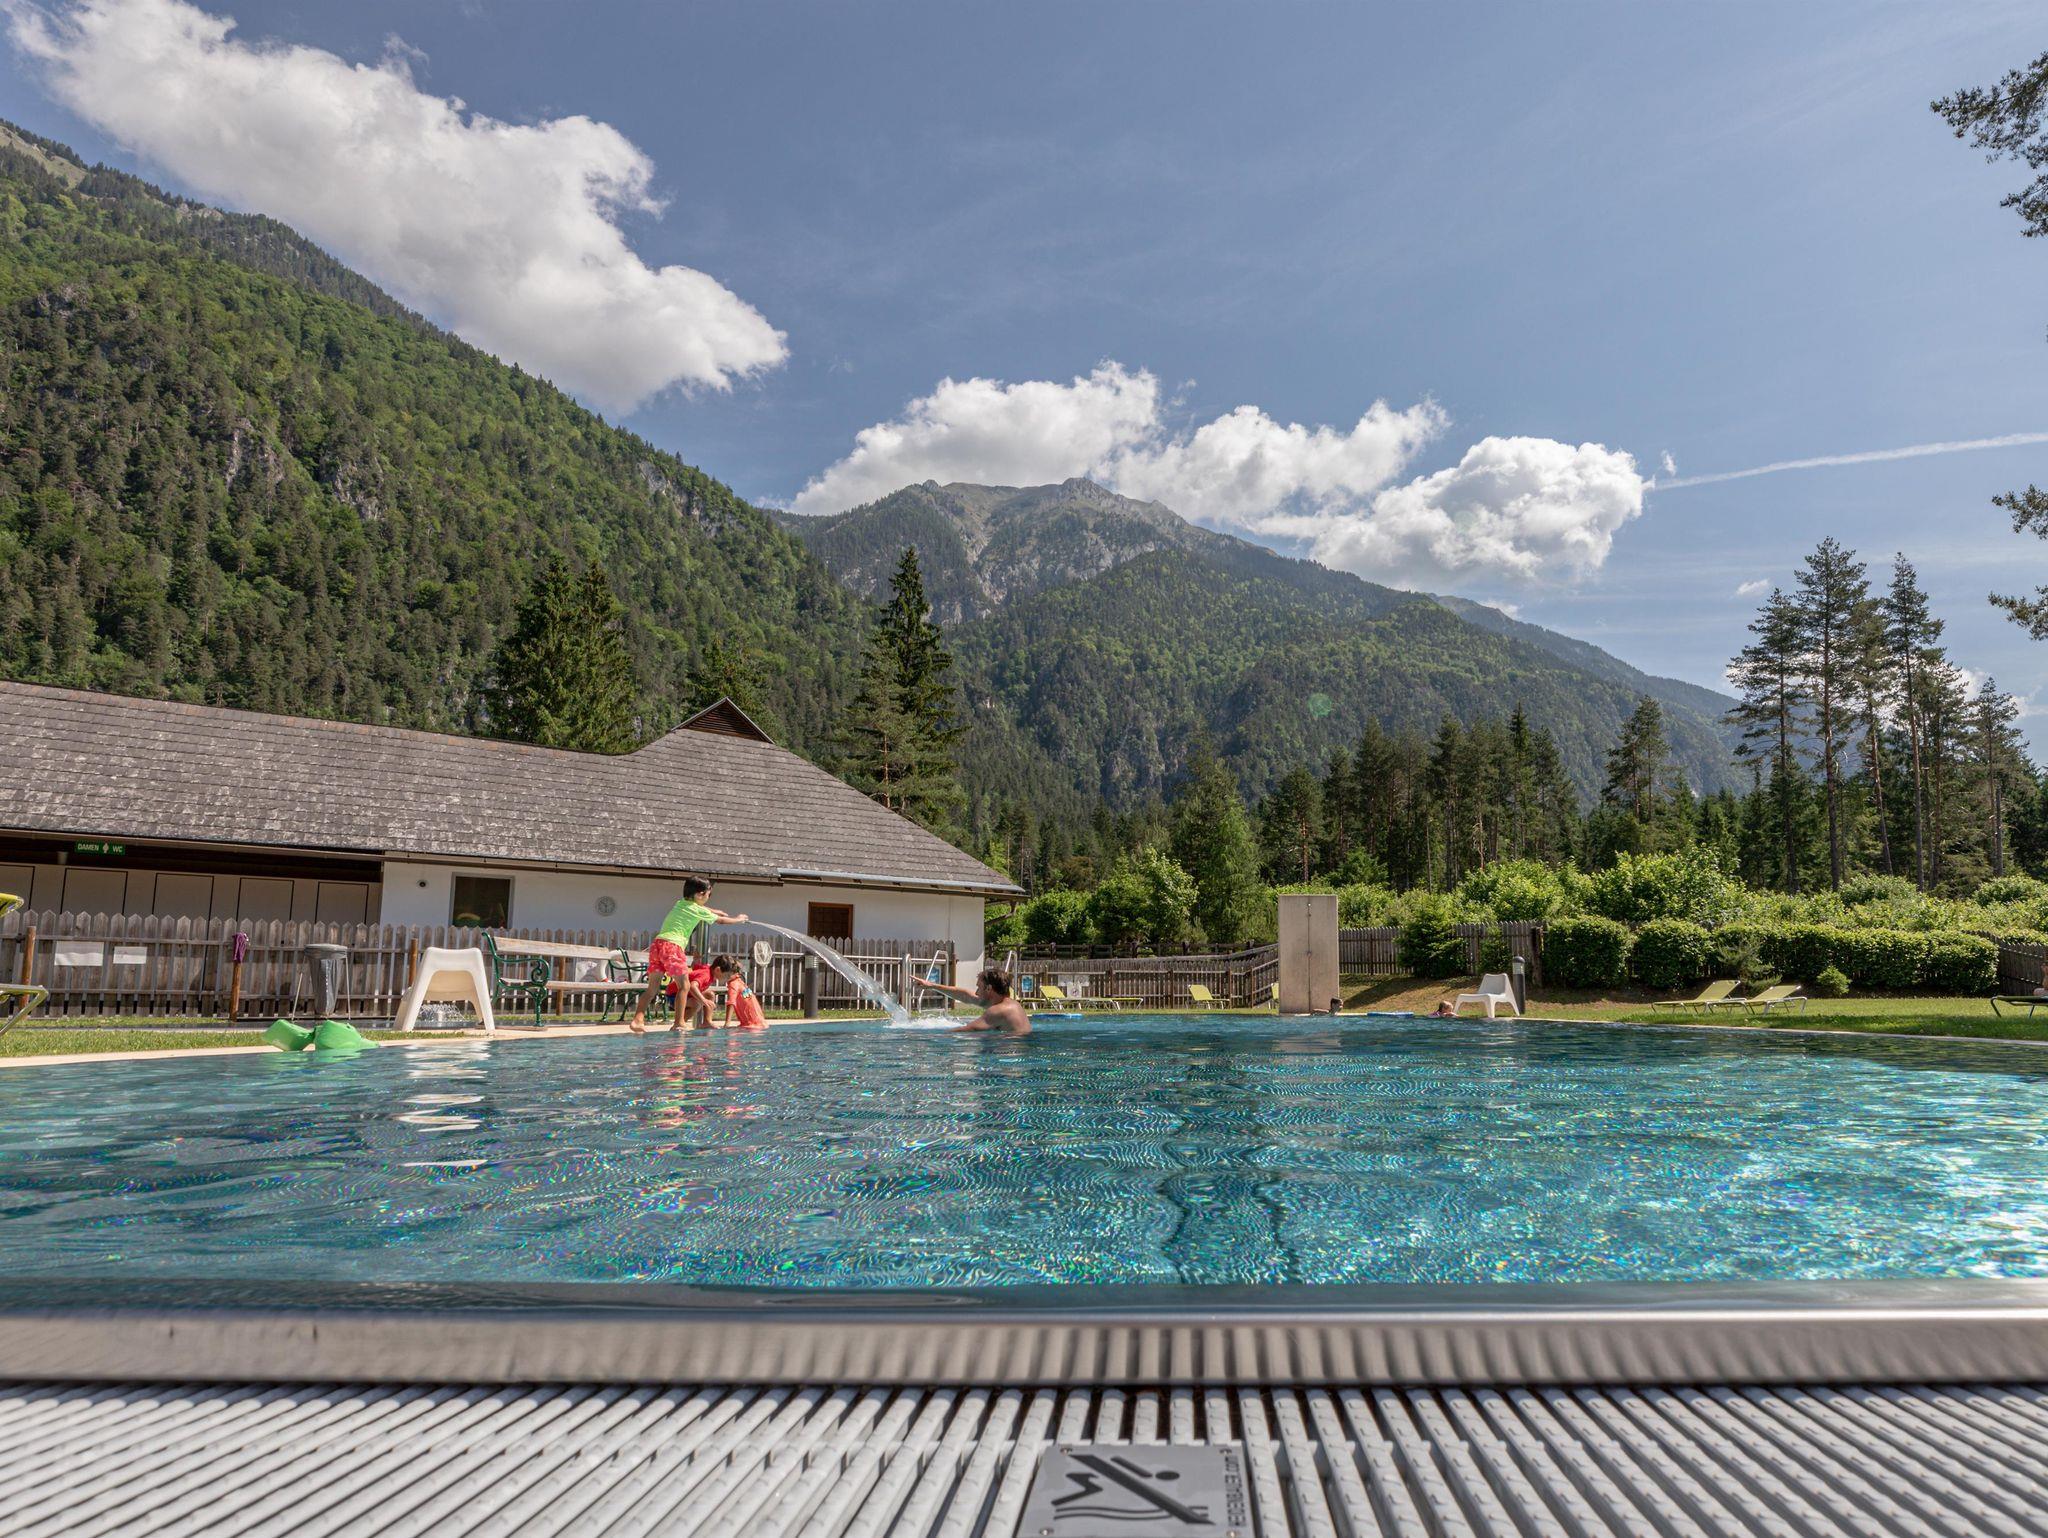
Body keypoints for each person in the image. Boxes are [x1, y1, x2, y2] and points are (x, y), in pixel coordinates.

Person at [631, 877, 748, 1033]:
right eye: (709, 895)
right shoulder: (698, 910)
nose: (708, 898)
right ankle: (679, 1023)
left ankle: (637, 1020)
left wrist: (713, 910)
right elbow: (720, 921)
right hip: (673, 947)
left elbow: (700, 908)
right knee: (684, 986)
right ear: (700, 894)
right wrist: (738, 919)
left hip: (657, 945)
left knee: (652, 988)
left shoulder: (680, 903)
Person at [911, 967, 1032, 1035]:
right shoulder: (1008, 1004)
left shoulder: (998, 1010)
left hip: (1007, 1060)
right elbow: (965, 995)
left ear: (989, 988)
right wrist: (931, 985)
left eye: (979, 987)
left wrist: (932, 1035)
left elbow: (969, 1029)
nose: (977, 992)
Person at [709, 955, 768, 1031]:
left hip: (752, 1026)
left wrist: (726, 1024)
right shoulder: (741, 984)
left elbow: (731, 1003)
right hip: (761, 1023)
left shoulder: (734, 985)